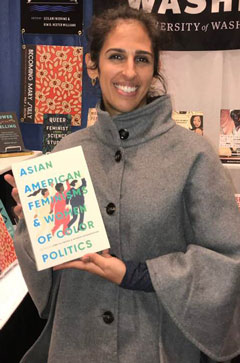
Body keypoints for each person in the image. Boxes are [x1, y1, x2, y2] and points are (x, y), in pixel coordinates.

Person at [4, 5, 240, 363]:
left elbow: (228, 261)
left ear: (155, 68)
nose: (130, 71)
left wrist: (139, 274)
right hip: (76, 344)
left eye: (142, 59)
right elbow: (48, 271)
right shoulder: (68, 150)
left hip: (157, 346)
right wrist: (32, 224)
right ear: (93, 66)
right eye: (116, 56)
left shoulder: (193, 154)